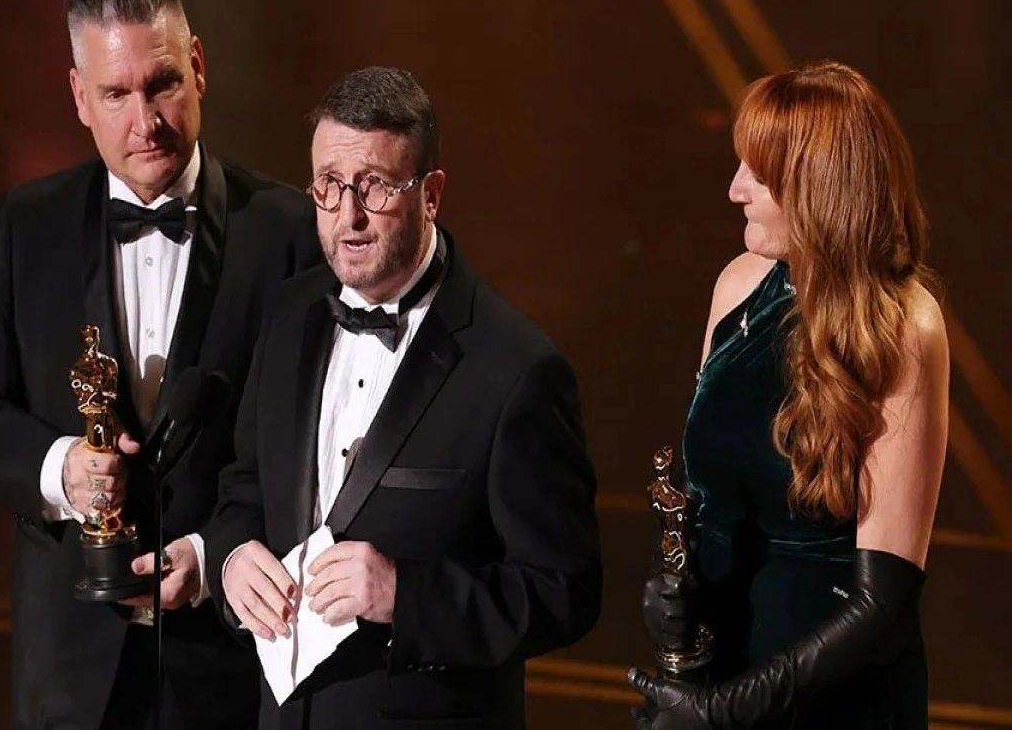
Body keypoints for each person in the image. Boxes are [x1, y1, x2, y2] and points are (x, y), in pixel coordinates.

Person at [0, 0, 321, 730]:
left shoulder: (288, 235)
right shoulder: (30, 226)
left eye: (162, 85)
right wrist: (62, 470)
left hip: (225, 670)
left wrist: (213, 557)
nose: (145, 122)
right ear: (80, 97)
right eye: (115, 94)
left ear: (199, 67)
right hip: (69, 674)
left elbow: (318, 451)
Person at [198, 66, 603, 728]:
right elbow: (244, 486)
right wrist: (233, 556)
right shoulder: (289, 313)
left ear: (431, 194)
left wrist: (404, 595)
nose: (348, 216)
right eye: (329, 186)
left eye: (375, 187)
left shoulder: (516, 370)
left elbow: (566, 591)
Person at [629, 61, 949, 728]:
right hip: (720, 671)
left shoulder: (905, 327)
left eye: (759, 173)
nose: (734, 190)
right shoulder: (738, 284)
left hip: (835, 697)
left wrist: (723, 713)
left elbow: (883, 606)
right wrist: (673, 585)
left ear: (817, 184)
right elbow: (706, 496)